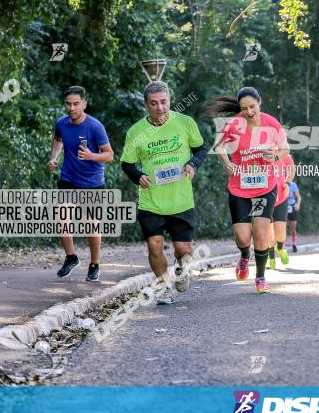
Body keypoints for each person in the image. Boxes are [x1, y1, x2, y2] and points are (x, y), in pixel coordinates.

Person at [120, 81, 206, 304]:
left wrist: (193, 164)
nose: (160, 108)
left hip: (180, 200)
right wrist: (138, 176)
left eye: (163, 102)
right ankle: (163, 286)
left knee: (183, 249)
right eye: (154, 103)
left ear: (170, 100)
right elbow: (127, 164)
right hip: (151, 201)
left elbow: (200, 149)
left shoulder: (185, 123)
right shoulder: (136, 132)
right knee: (154, 244)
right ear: (146, 104)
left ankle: (181, 268)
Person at [207, 87, 290, 294]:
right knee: (243, 237)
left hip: (265, 185)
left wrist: (275, 157)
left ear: (259, 102)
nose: (249, 112)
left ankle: (260, 277)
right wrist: (226, 162)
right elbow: (219, 146)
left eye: (252, 107)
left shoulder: (271, 123)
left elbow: (285, 149)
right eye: (244, 108)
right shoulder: (234, 123)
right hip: (239, 187)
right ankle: (245, 256)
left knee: (261, 230)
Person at [48, 86, 114, 282]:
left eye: (76, 104)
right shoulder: (61, 123)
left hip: (92, 183)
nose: (72, 108)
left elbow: (109, 155)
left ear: (84, 104)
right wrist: (53, 158)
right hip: (68, 178)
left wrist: (91, 156)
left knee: (91, 226)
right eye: (68, 104)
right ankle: (71, 258)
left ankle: (94, 264)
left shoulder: (95, 126)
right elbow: (58, 140)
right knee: (61, 218)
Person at [268, 154, 294, 269]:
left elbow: (291, 169)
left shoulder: (284, 154)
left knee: (280, 232)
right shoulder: (258, 152)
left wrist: (288, 183)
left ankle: (280, 248)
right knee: (267, 231)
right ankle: (271, 259)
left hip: (281, 197)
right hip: (264, 198)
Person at [286, 180, 301, 252]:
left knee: (293, 229)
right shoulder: (279, 184)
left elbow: (298, 197)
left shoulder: (293, 185)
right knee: (282, 228)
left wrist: (298, 204)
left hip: (292, 207)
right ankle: (282, 247)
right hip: (282, 208)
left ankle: (294, 245)